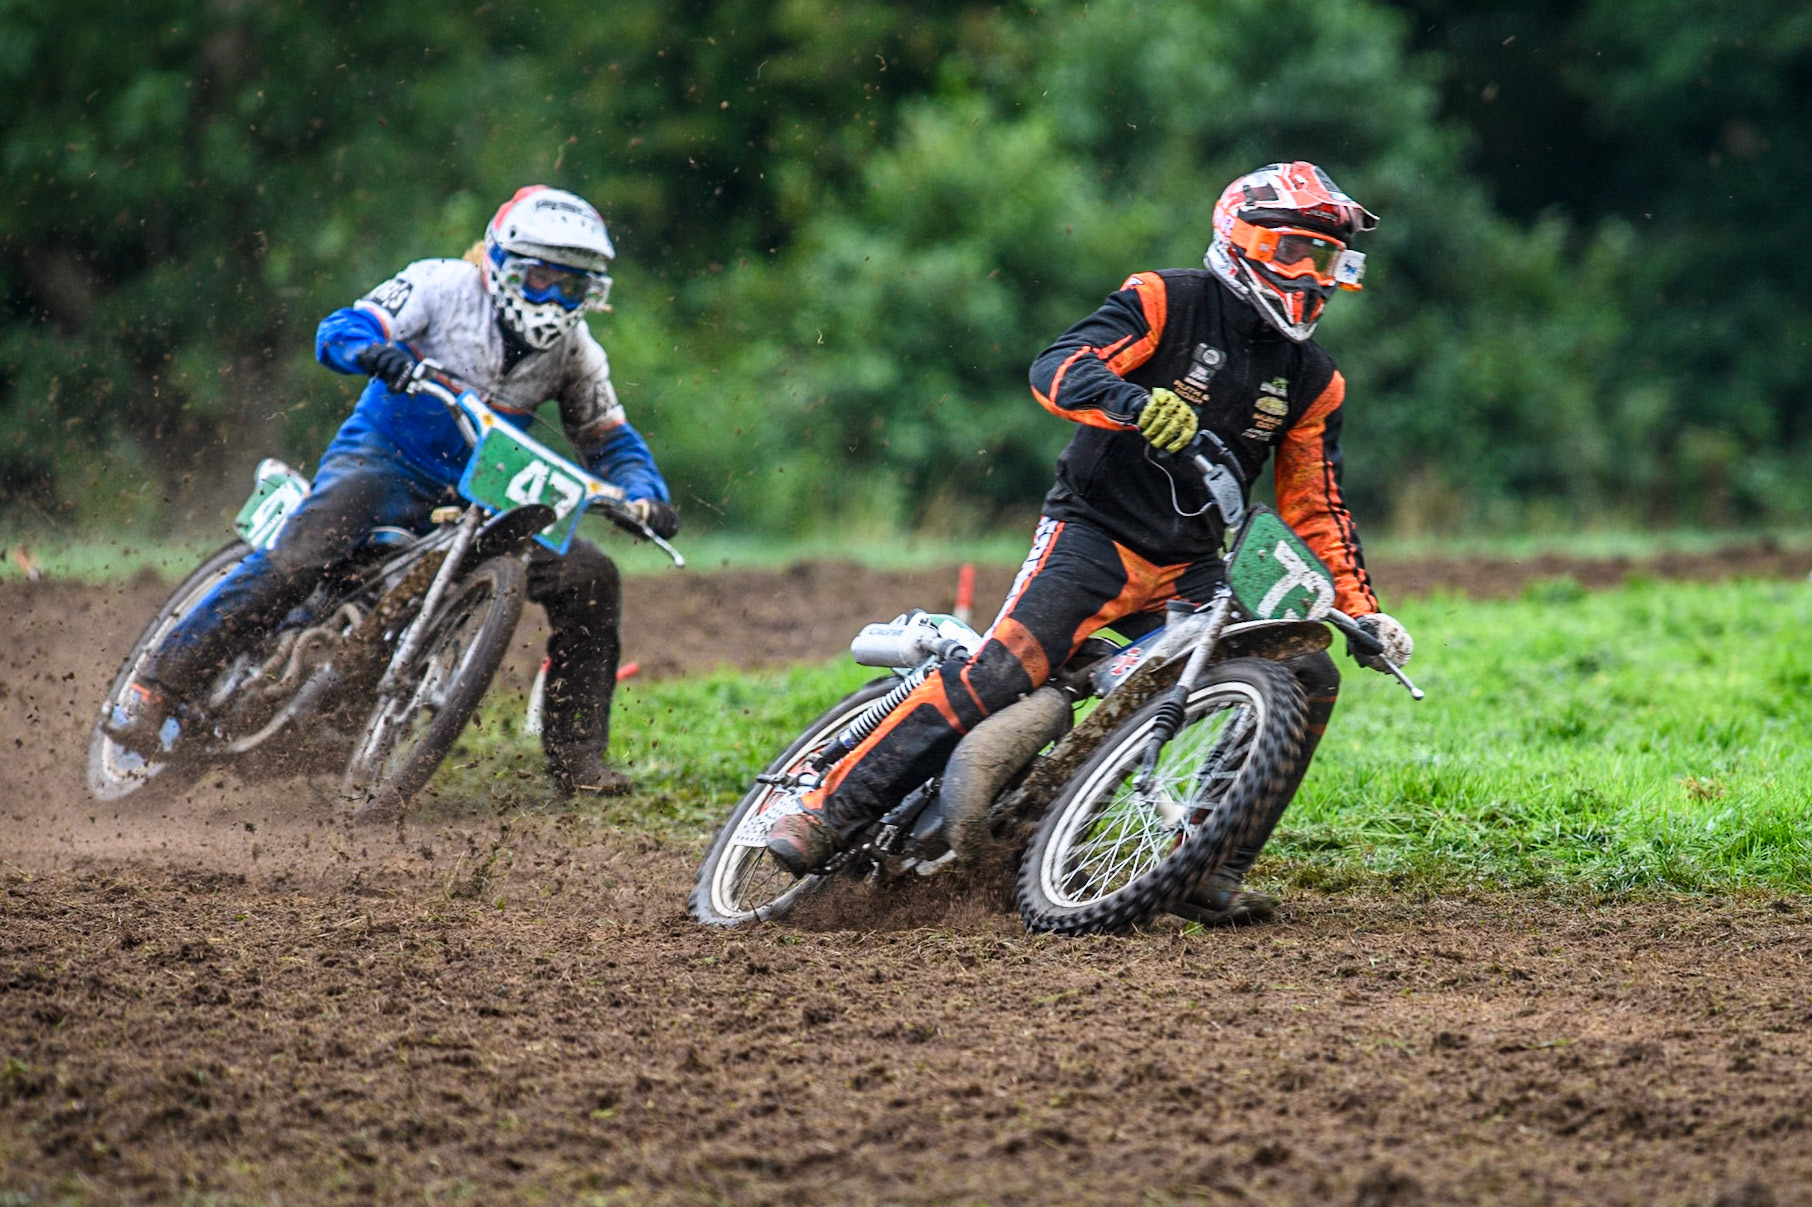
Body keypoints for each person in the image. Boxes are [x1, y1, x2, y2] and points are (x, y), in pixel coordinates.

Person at [766, 161, 1413, 923]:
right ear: (1246, 241)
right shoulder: (1165, 298)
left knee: (1304, 668)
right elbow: (1057, 367)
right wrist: (1132, 402)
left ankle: (1211, 862)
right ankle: (825, 808)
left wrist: (1363, 613)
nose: (1315, 276)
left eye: (1331, 261)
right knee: (1003, 671)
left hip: (1191, 568)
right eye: (1299, 254)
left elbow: (1318, 510)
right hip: (1094, 533)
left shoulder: (1314, 379)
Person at [105, 185, 680, 797]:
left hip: (486, 493)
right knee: (301, 557)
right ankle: (156, 687)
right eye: (541, 277)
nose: (553, 298)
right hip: (383, 461)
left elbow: (610, 440)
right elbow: (342, 327)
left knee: (588, 577)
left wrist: (644, 495)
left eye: (571, 286)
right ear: (501, 262)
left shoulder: (576, 353)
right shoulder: (440, 286)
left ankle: (577, 763)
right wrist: (378, 354)